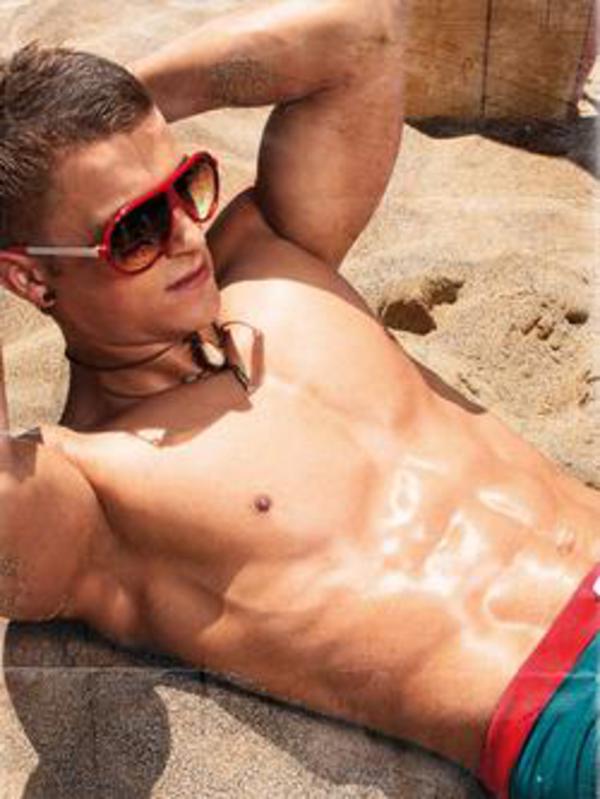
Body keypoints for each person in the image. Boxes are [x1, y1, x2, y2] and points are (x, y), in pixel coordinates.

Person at [0, 1, 597, 796]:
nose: (185, 233)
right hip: (561, 707)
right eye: (136, 227)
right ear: (30, 276)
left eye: (186, 185)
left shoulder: (270, 253)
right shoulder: (90, 487)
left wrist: (116, 113)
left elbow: (360, 35)